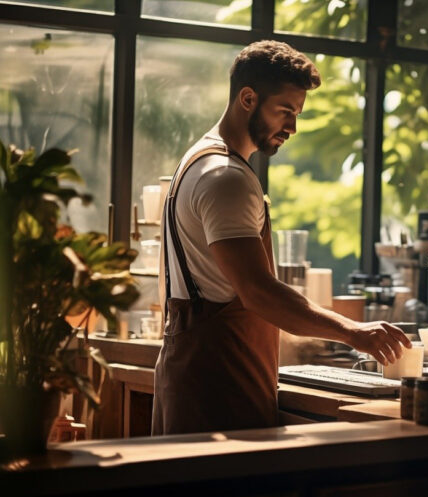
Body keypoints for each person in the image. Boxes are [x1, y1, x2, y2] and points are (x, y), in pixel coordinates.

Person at [152, 40, 411, 436]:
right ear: (248, 98)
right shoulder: (227, 178)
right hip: (219, 382)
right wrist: (353, 332)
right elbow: (258, 293)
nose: (292, 127)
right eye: (285, 111)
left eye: (297, 114)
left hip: (193, 372)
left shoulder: (197, 160)